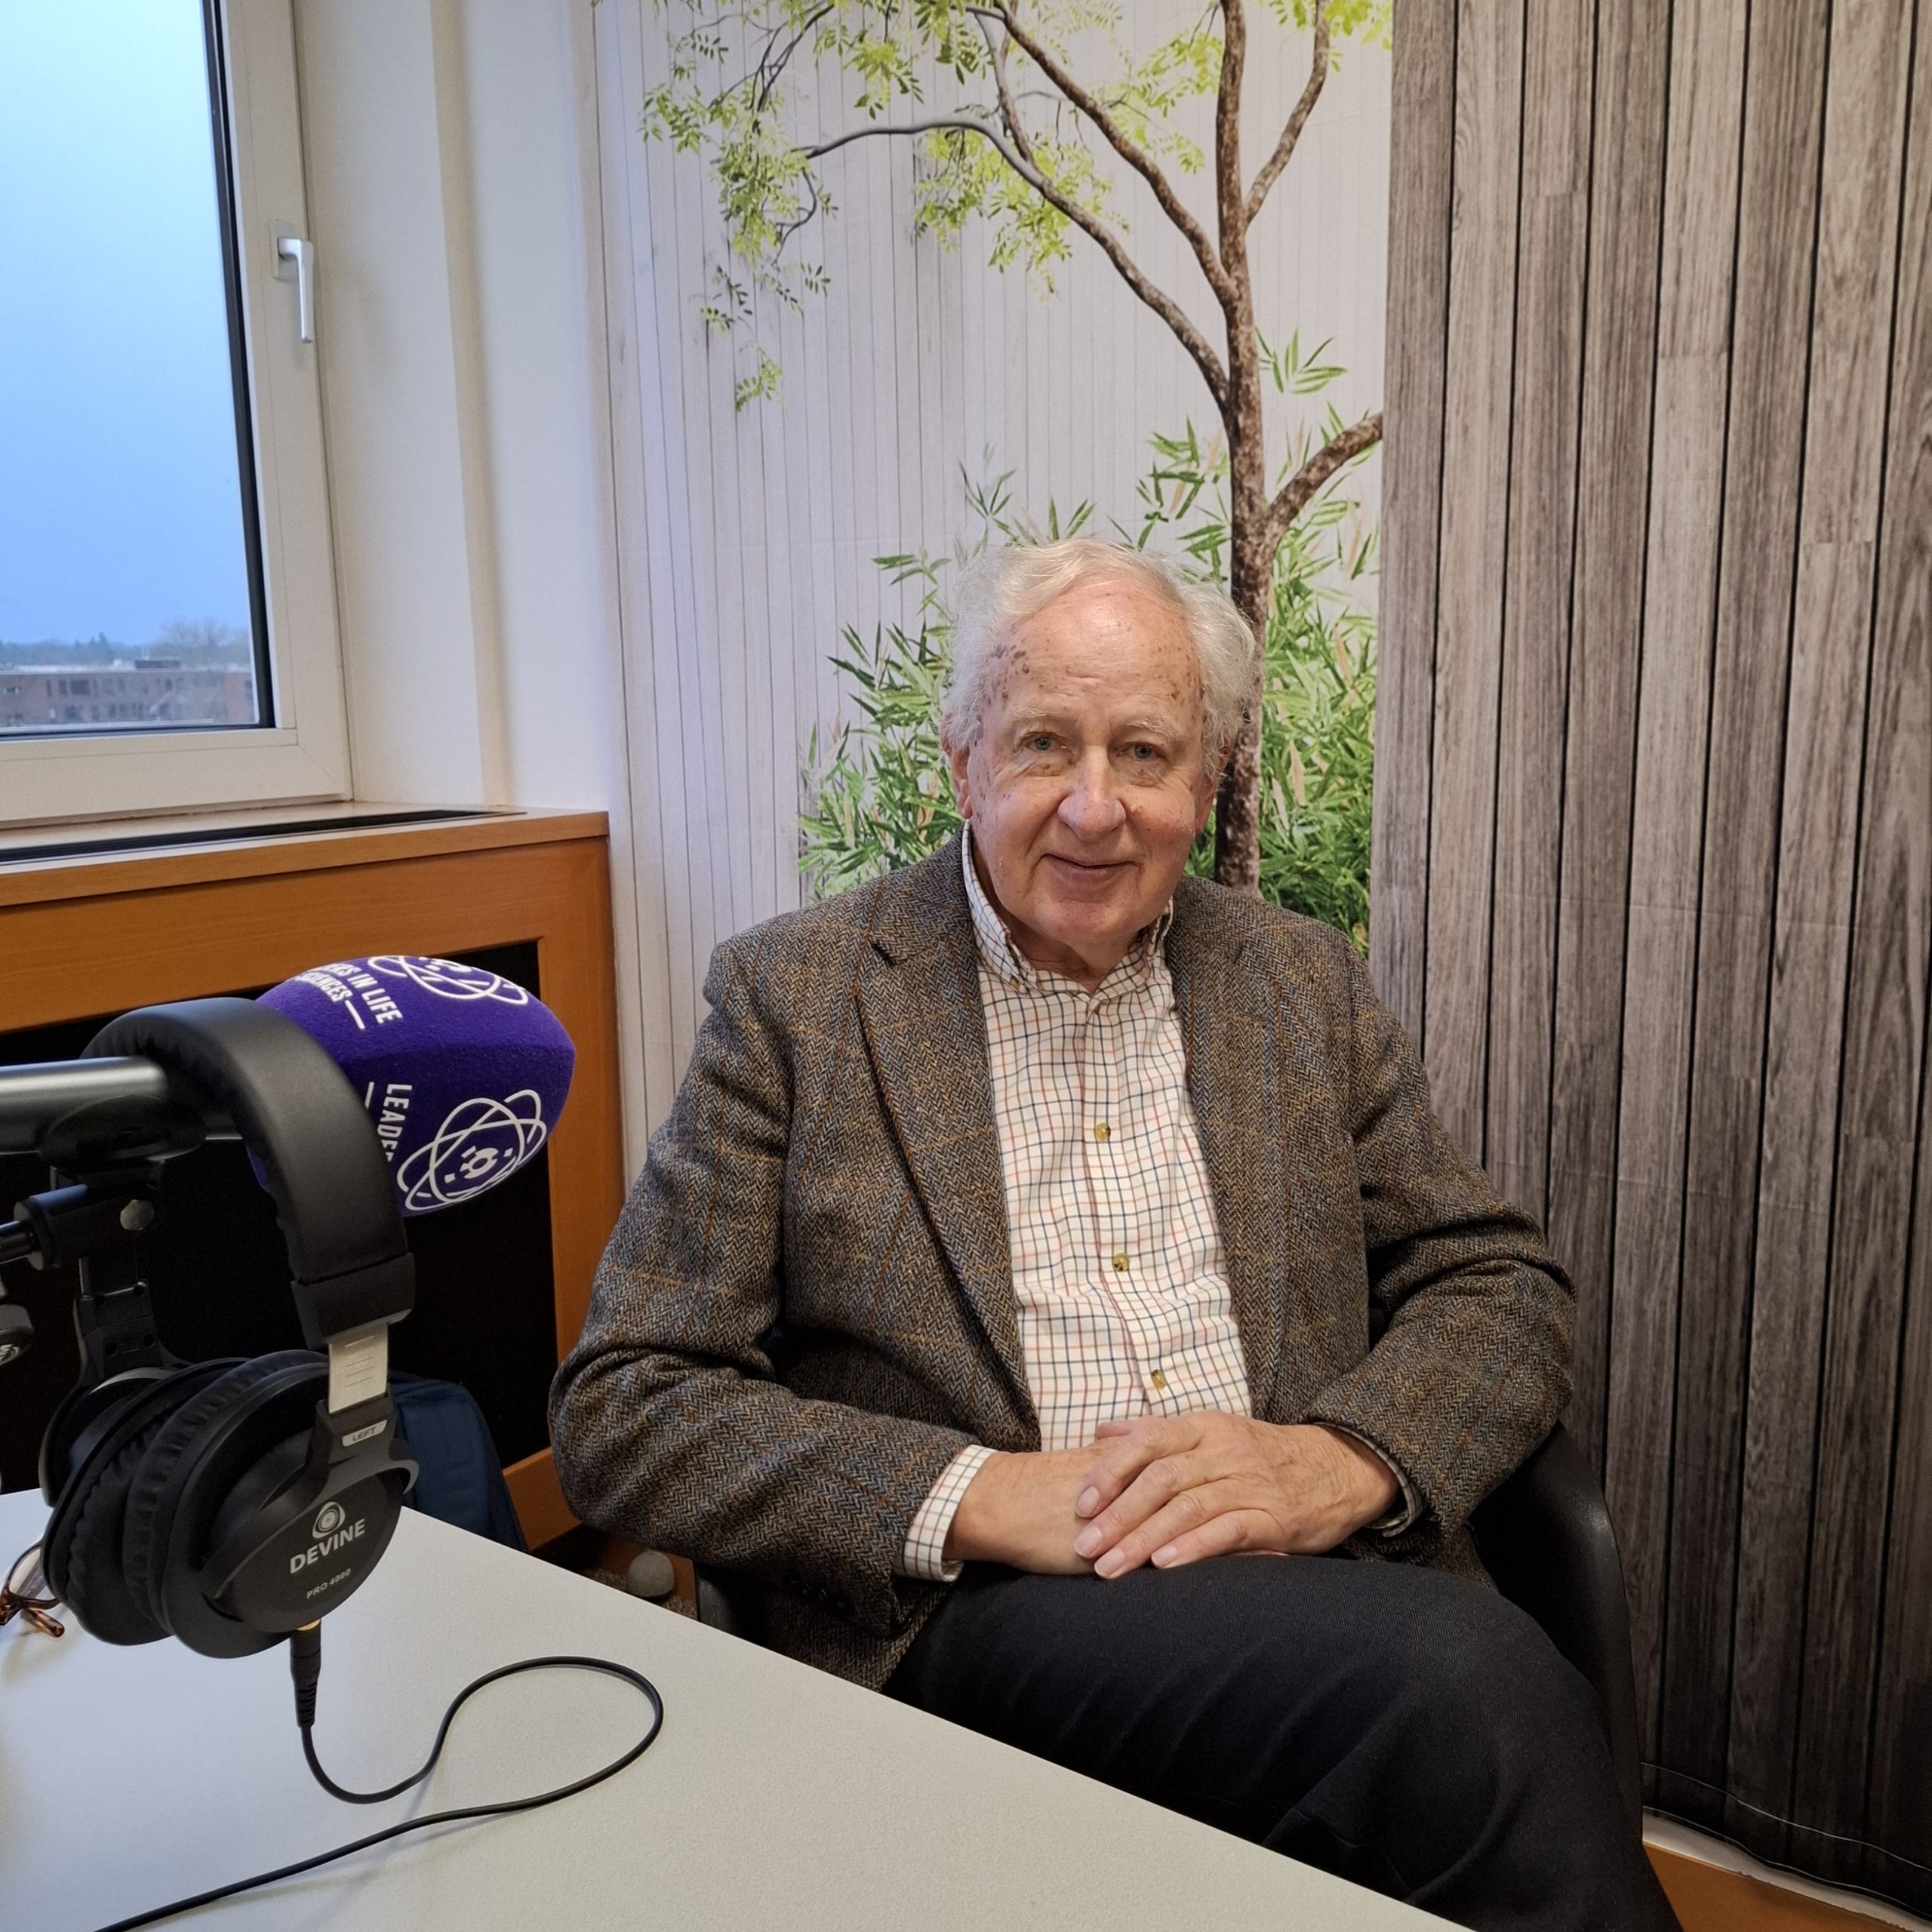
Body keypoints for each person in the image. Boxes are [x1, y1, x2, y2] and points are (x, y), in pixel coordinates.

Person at [550, 540, 1678, 1930]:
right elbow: (627, 1402)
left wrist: (1340, 1460)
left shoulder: (1299, 982)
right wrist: (974, 1494)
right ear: (962, 764)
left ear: (1205, 784)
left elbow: (1495, 1278)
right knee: (1472, 1694)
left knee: (1464, 1716)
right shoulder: (796, 1001)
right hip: (989, 1618)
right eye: (1044, 745)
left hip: (1320, 1591)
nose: (1096, 808)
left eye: (1145, 753)